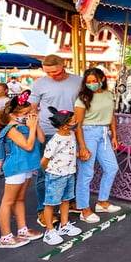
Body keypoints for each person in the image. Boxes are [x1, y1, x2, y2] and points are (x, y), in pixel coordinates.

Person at [29, 55, 83, 227]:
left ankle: (70, 201)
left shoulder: (78, 81)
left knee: (70, 168)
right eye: (48, 72)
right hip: (47, 131)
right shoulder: (39, 84)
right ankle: (43, 210)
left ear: (64, 65)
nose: (52, 75)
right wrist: (34, 130)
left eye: (55, 71)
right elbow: (32, 108)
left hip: (71, 131)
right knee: (45, 172)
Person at [0, 90, 44, 248]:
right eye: (26, 113)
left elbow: (41, 140)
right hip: (17, 167)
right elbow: (28, 146)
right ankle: (5, 237)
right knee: (8, 201)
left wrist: (36, 125)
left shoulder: (26, 125)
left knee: (20, 199)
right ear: (12, 114)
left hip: (27, 166)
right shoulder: (11, 129)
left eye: (31, 112)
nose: (30, 115)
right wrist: (32, 126)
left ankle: (22, 229)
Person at [74, 68, 120, 223]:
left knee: (111, 167)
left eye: (94, 81)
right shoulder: (82, 98)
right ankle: (84, 208)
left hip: (103, 133)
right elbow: (78, 124)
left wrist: (114, 135)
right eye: (88, 82)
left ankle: (102, 201)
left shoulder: (108, 95)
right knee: (86, 172)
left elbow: (111, 115)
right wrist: (82, 146)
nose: (91, 84)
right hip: (88, 133)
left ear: (101, 79)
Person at [41, 107, 82, 245]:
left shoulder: (70, 134)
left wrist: (77, 155)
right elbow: (44, 160)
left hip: (69, 173)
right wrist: (51, 171)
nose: (76, 122)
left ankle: (64, 225)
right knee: (51, 203)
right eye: (74, 120)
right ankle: (49, 230)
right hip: (56, 175)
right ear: (65, 125)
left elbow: (68, 152)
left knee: (66, 200)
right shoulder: (55, 140)